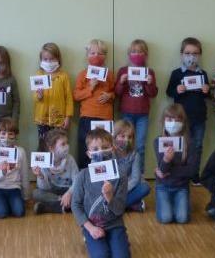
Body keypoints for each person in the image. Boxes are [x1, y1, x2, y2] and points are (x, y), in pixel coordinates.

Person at [71, 128, 130, 258]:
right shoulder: (83, 175)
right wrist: (90, 228)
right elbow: (76, 205)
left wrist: (109, 196)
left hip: (115, 224)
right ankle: (88, 237)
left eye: (105, 148)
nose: (101, 152)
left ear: (112, 149)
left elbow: (120, 209)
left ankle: (119, 239)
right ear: (89, 153)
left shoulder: (121, 175)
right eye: (95, 148)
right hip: (93, 224)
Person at [166, 37, 210, 181]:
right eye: (188, 53)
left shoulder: (202, 74)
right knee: (180, 145)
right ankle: (180, 173)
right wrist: (177, 90)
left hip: (199, 117)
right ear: (182, 54)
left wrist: (206, 90)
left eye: (195, 53)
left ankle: (194, 174)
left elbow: (207, 96)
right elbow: (169, 92)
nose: (191, 56)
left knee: (197, 146)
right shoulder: (177, 73)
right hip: (180, 118)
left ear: (200, 55)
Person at [114, 39, 158, 176]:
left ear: (146, 54)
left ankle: (139, 174)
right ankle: (123, 172)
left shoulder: (149, 71)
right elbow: (117, 92)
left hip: (142, 115)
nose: (137, 54)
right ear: (129, 54)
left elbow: (153, 94)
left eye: (140, 51)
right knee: (123, 144)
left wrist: (149, 84)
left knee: (139, 145)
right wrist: (121, 82)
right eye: (134, 51)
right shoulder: (123, 71)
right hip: (126, 114)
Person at [74, 39, 115, 168]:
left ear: (105, 56)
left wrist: (110, 95)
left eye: (100, 53)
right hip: (87, 116)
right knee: (85, 147)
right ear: (87, 55)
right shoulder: (83, 74)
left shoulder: (109, 74)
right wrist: (90, 88)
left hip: (105, 117)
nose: (96, 56)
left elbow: (115, 93)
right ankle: (84, 174)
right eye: (92, 53)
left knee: (105, 147)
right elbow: (76, 95)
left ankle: (106, 174)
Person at [153, 105, 197, 224]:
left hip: (181, 187)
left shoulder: (190, 143)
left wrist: (166, 171)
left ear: (183, 122)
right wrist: (166, 160)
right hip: (163, 186)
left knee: (182, 219)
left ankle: (175, 203)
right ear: (164, 121)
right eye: (170, 119)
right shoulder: (158, 141)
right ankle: (165, 203)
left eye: (178, 120)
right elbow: (162, 170)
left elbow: (192, 170)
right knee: (166, 218)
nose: (173, 123)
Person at [33, 42, 73, 151]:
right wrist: (39, 96)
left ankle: (59, 168)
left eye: (51, 59)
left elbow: (69, 97)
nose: (48, 62)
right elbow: (34, 98)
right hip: (42, 119)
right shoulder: (38, 75)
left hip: (59, 120)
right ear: (41, 60)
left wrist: (68, 117)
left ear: (58, 59)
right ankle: (42, 168)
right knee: (43, 147)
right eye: (45, 59)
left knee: (59, 147)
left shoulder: (63, 76)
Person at [0, 118, 30, 218]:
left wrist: (26, 196)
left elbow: (24, 175)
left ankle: (6, 202)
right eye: (3, 134)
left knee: (19, 212)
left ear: (15, 136)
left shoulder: (20, 152)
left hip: (13, 187)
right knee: (1, 213)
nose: (6, 137)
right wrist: (3, 171)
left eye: (10, 134)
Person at [32, 128, 78, 214]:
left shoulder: (70, 159)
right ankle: (65, 206)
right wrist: (40, 176)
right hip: (52, 191)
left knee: (81, 194)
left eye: (67, 143)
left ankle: (49, 207)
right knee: (36, 193)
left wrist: (69, 193)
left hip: (67, 189)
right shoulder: (45, 161)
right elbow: (44, 188)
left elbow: (77, 181)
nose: (67, 146)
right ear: (51, 148)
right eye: (63, 144)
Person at [112, 120, 150, 212]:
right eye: (122, 136)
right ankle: (131, 205)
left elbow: (135, 179)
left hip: (127, 188)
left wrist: (121, 190)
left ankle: (116, 206)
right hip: (113, 188)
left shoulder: (135, 155)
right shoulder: (111, 153)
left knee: (145, 187)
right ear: (115, 137)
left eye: (129, 137)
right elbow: (109, 176)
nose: (126, 139)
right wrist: (112, 154)